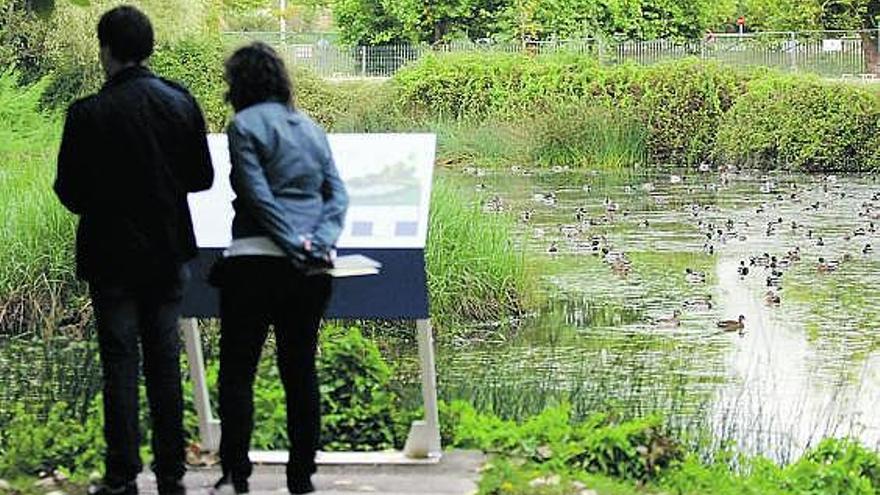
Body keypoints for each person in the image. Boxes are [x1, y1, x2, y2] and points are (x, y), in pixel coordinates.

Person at [54, 6, 214, 495]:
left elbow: (71, 193)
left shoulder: (86, 114)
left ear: (105, 49)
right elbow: (202, 177)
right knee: (166, 363)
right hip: (166, 254)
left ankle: (122, 476)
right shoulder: (180, 102)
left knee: (119, 365)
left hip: (110, 258)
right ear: (148, 48)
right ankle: (171, 474)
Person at [210, 42, 348, 495]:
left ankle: (237, 474)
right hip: (311, 270)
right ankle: (301, 477)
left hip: (253, 262)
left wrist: (289, 243)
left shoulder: (243, 126)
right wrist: (318, 244)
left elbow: (255, 195)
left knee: (237, 370)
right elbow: (336, 196)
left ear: (240, 84)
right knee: (301, 370)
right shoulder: (311, 128)